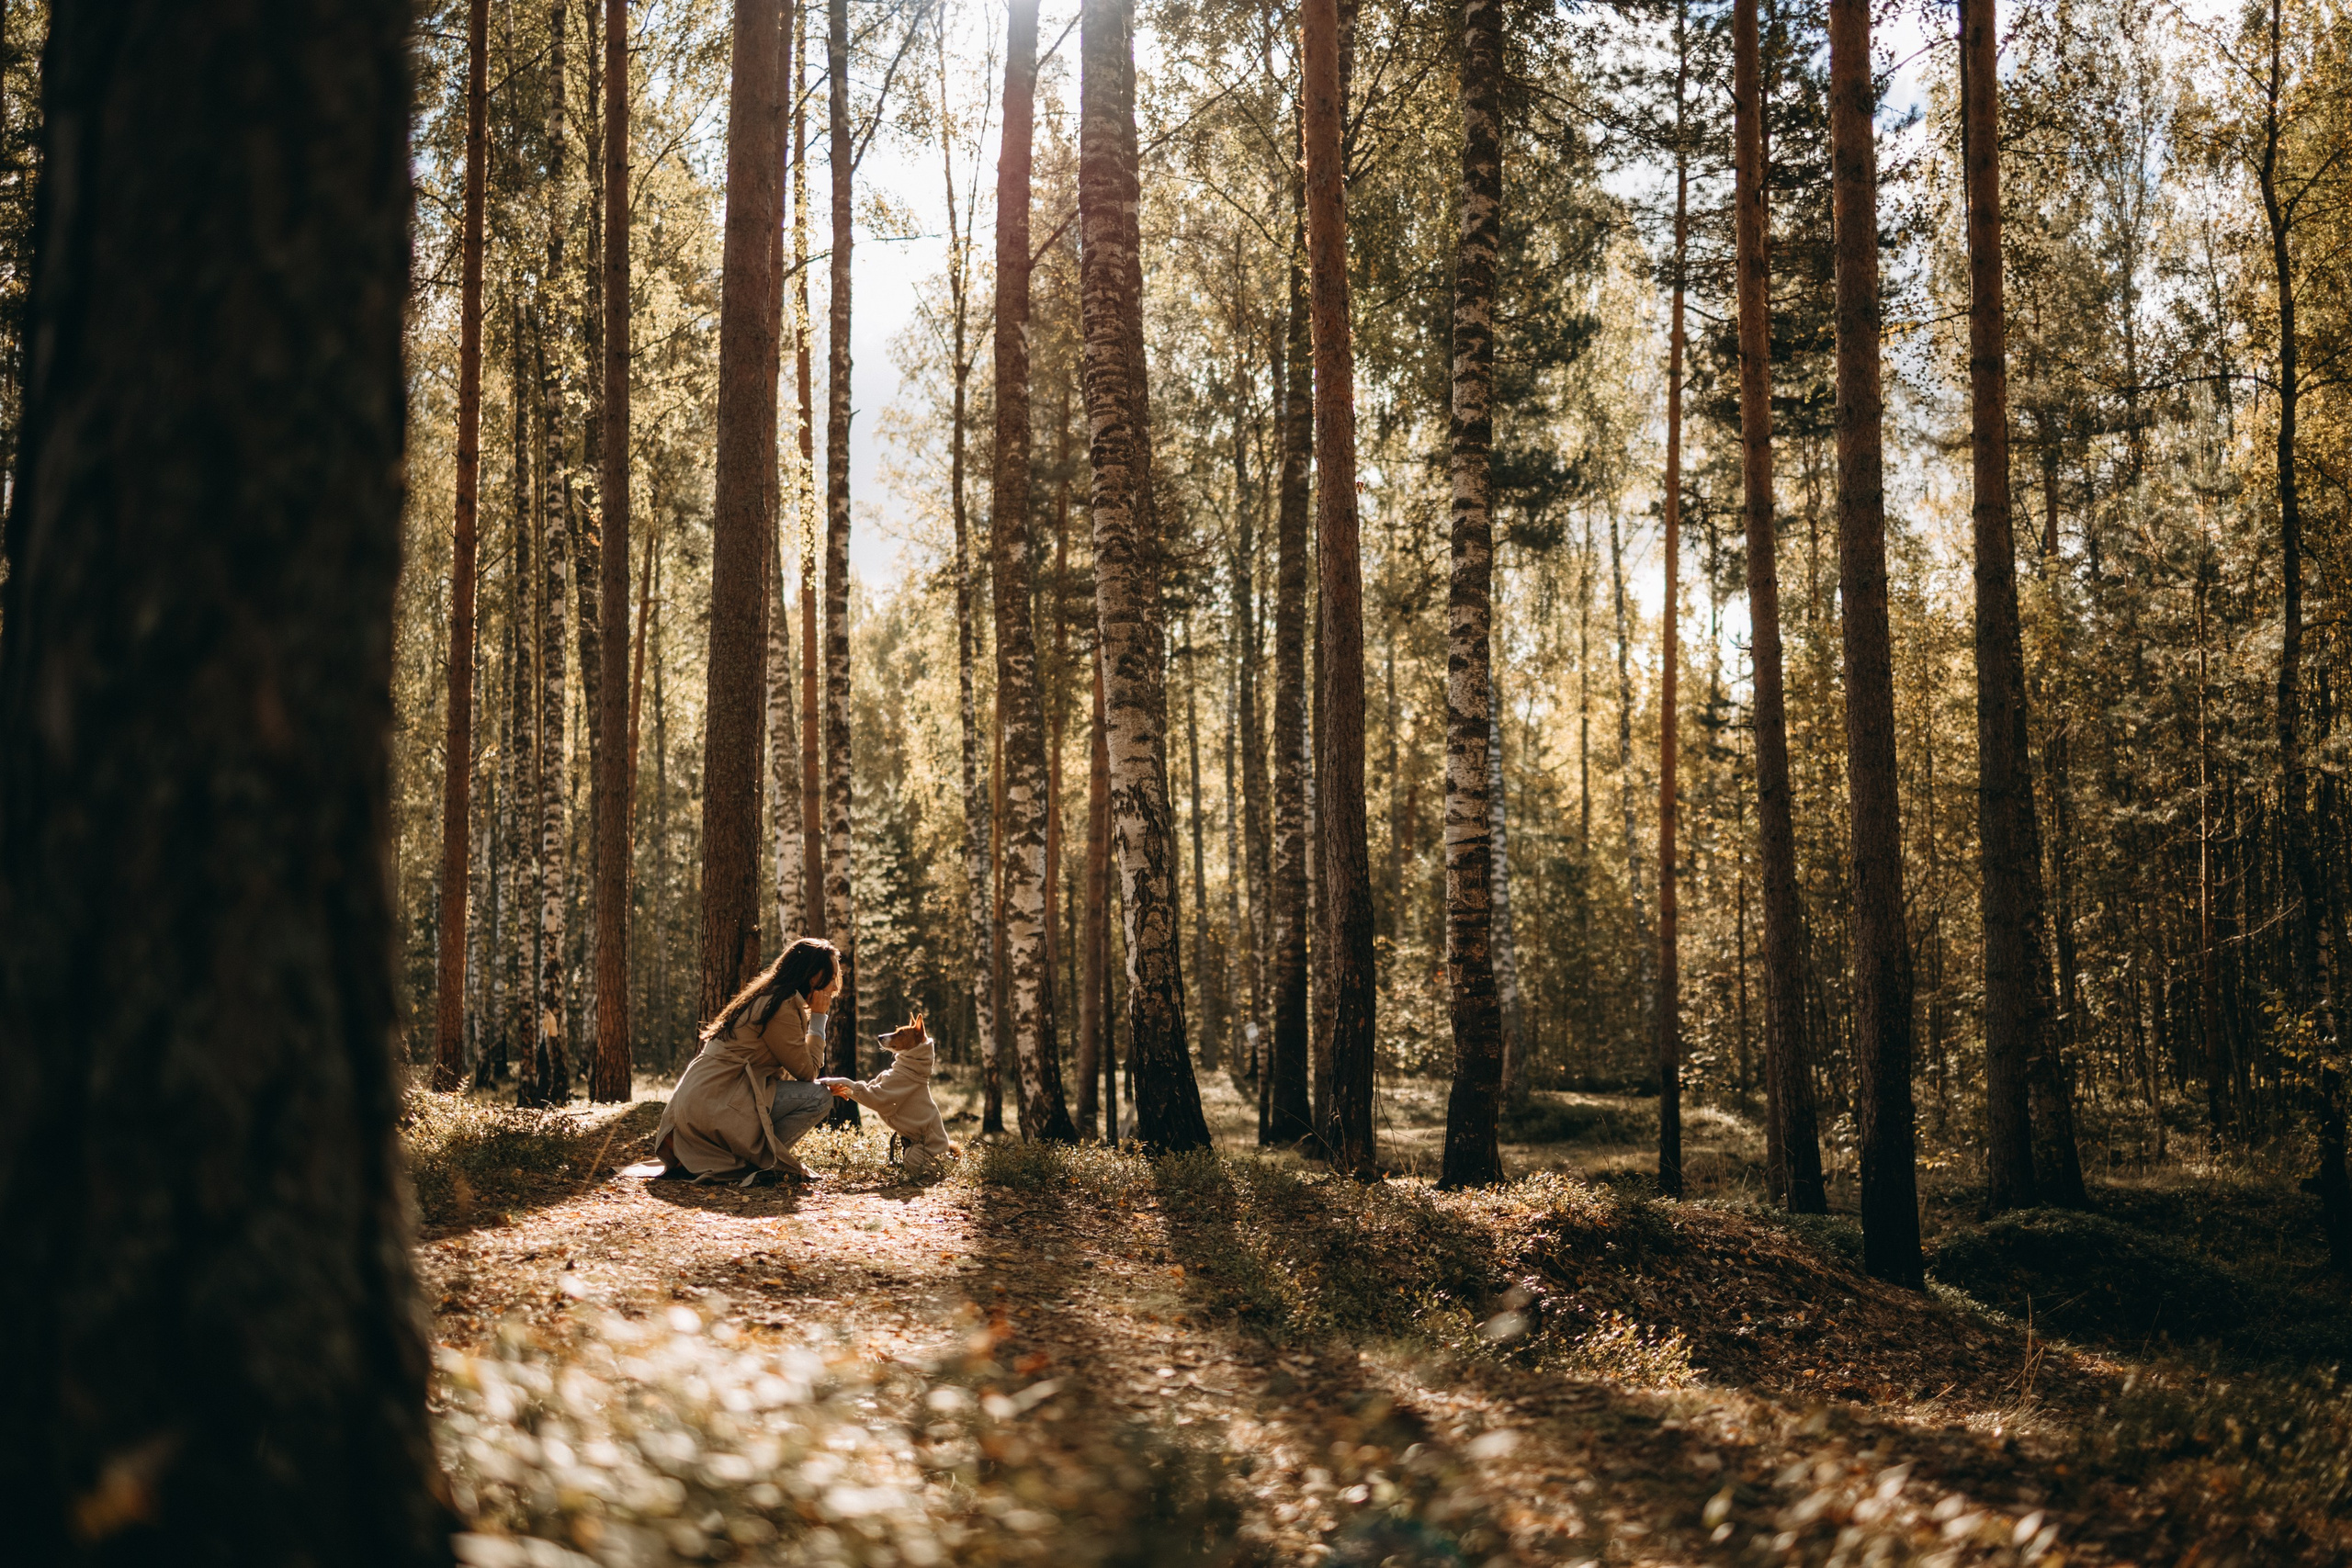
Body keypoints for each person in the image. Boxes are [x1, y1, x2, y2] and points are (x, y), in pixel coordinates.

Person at [652, 938, 841, 1184]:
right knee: (819, 1097)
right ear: (814, 976)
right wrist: (819, 1017)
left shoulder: (769, 995)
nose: (835, 986)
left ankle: (756, 1157)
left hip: (707, 1097)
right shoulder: (780, 1006)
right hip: (719, 1098)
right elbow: (807, 1072)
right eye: (832, 976)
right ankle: (766, 1162)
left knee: (815, 1093)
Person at [820, 1014, 956, 1178]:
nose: (890, 1036)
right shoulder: (905, 1073)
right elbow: (872, 1091)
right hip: (925, 1145)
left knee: (913, 1163)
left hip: (932, 1150)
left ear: (917, 1039)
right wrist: (845, 1089)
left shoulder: (907, 1077)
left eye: (900, 1034)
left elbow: (876, 1098)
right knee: (911, 1161)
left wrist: (843, 1082)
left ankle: (938, 1169)